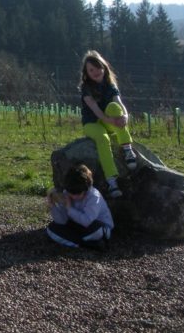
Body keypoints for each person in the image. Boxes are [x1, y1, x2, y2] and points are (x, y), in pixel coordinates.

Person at [79, 50, 137, 198]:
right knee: (103, 138)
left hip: (108, 121)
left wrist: (124, 116)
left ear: (104, 67)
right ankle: (112, 181)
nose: (95, 71)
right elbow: (96, 111)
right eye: (91, 70)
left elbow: (119, 103)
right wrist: (112, 121)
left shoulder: (110, 85)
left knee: (115, 108)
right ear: (86, 73)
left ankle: (127, 149)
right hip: (92, 123)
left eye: (97, 67)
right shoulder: (86, 88)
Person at [45, 163, 113, 249]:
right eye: (71, 193)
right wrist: (53, 206)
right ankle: (86, 244)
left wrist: (69, 208)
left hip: (96, 227)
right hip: (77, 226)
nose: (74, 196)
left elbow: (86, 221)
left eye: (78, 193)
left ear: (86, 189)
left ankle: (74, 242)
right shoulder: (68, 192)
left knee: (96, 230)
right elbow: (62, 221)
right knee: (51, 229)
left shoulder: (94, 196)